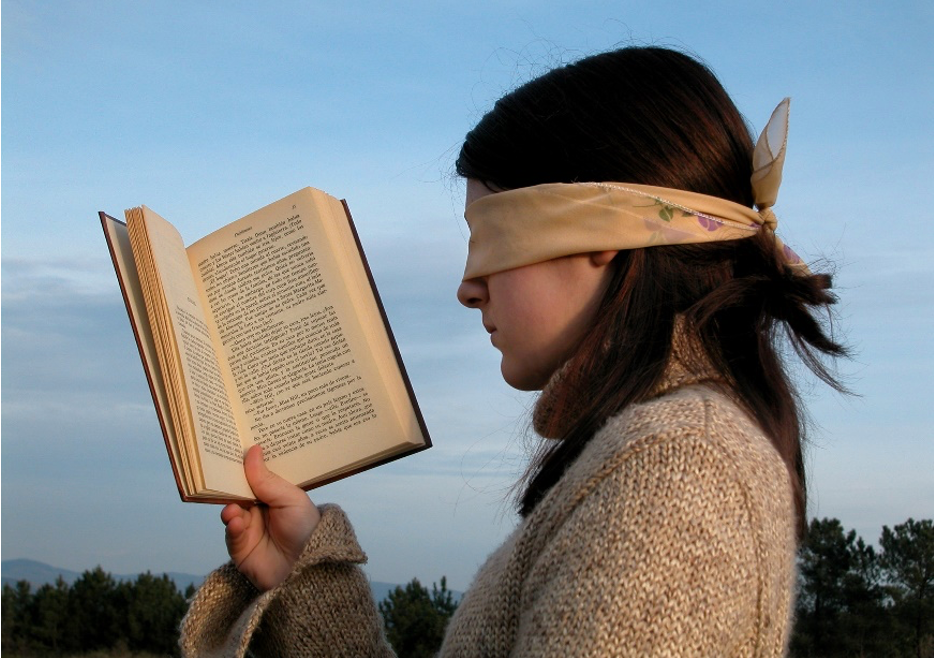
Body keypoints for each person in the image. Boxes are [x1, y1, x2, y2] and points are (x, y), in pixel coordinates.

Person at [180, 46, 847, 657]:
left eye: (488, 236)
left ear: (600, 227)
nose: (468, 288)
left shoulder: (674, 469)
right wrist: (305, 583)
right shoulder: (672, 452)